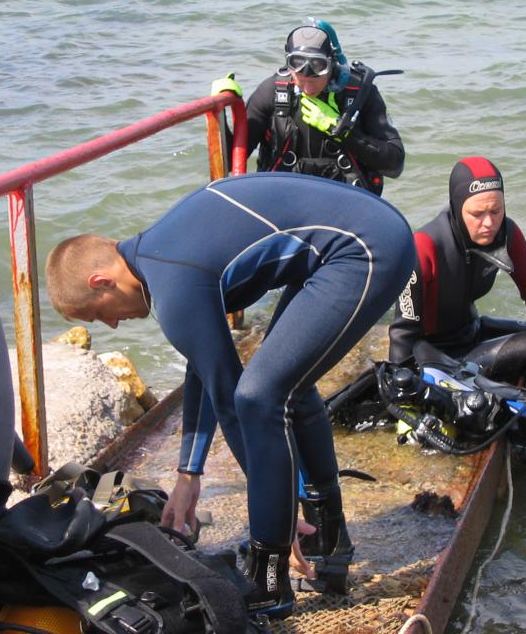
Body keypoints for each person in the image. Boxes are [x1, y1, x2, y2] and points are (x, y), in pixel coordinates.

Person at [45, 172, 416, 619]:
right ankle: (327, 539)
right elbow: (206, 364)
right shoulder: (162, 255)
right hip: (362, 234)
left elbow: (235, 402)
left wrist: (279, 517)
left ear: (102, 281)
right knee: (285, 388)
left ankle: (270, 578)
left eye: (98, 314)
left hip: (365, 250)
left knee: (260, 397)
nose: (112, 326)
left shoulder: (172, 285)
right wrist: (189, 470)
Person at [389, 156, 526, 387]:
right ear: (457, 208)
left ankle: (513, 380)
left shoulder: (506, 233)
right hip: (438, 354)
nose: (489, 223)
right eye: (477, 214)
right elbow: (403, 332)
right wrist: (402, 385)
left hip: (475, 332)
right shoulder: (424, 246)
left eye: (496, 211)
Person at [214, 18, 405, 194]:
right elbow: (231, 160)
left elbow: (394, 165)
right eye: (300, 78)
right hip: (284, 199)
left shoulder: (359, 94)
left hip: (347, 203)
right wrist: (219, 110)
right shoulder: (272, 92)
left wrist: (340, 129)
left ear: (332, 65)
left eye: (315, 79)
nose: (307, 87)